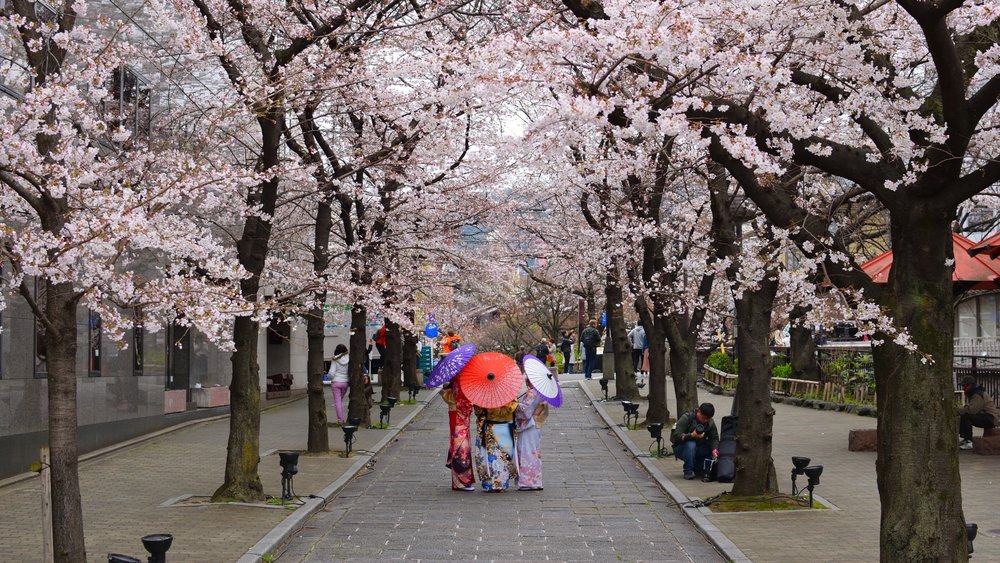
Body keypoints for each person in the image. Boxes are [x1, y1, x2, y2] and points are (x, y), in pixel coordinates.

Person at [474, 399, 519, 492]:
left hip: (491, 427)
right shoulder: (509, 394)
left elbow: (479, 412)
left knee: (492, 456)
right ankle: (502, 484)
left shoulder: (486, 395)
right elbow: (514, 408)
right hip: (506, 427)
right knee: (504, 456)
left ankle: (491, 484)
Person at [516, 377, 549, 490]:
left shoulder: (532, 392)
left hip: (529, 424)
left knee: (527, 451)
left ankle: (527, 482)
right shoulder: (541, 391)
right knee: (534, 451)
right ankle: (535, 480)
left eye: (528, 379)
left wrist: (515, 403)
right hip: (536, 423)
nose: (526, 381)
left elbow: (525, 411)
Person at [441, 380, 476, 491]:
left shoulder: (456, 379)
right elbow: (465, 403)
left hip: (456, 415)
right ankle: (461, 482)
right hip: (459, 415)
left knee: (460, 446)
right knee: (461, 448)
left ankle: (461, 481)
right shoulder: (460, 380)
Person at [670, 403, 720, 480]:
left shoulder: (710, 423)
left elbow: (714, 439)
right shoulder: (686, 418)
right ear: (698, 412)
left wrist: (715, 450)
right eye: (703, 418)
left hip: (699, 447)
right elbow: (675, 437)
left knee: (710, 448)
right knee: (691, 444)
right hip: (681, 448)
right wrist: (691, 435)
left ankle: (702, 468)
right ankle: (688, 471)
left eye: (708, 419)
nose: (705, 420)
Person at [959, 375, 998, 450]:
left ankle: (969, 441)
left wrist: (957, 410)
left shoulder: (977, 394)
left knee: (966, 416)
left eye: (965, 386)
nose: (963, 388)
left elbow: (972, 410)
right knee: (965, 415)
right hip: (987, 417)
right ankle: (966, 439)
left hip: (990, 418)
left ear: (971, 385)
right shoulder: (975, 393)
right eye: (963, 386)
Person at [327, 344, 350, 424]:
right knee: (339, 401)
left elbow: (331, 373)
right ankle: (341, 419)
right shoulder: (349, 358)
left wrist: (329, 377)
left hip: (336, 382)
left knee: (338, 402)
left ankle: (340, 420)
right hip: (345, 383)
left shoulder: (335, 359)